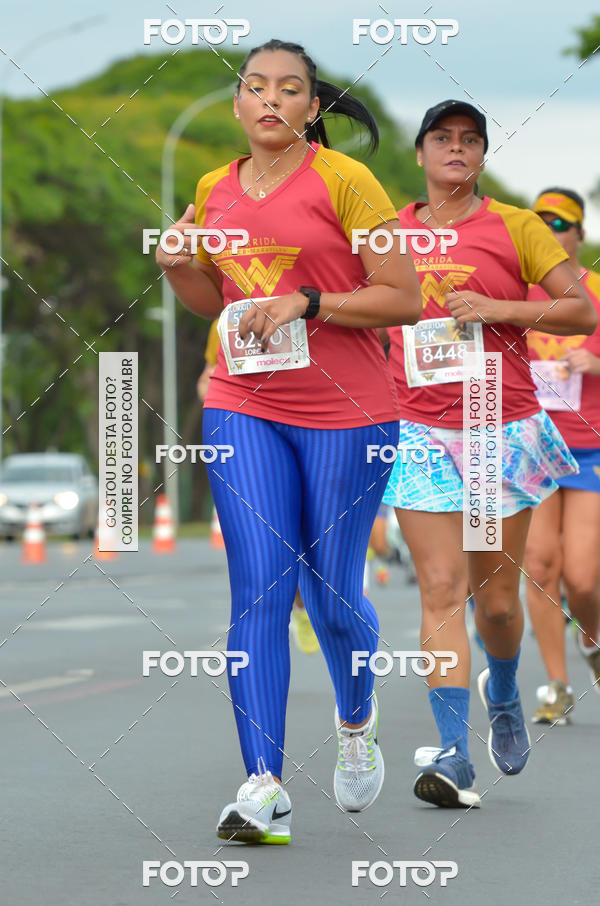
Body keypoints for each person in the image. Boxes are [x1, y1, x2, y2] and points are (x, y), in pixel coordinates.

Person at [156, 39, 422, 843]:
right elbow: (215, 299)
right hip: (244, 402)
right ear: (237, 104)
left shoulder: (347, 181)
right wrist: (176, 265)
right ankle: (263, 786)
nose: (271, 100)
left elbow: (404, 299)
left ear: (314, 107)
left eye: (291, 90)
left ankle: (355, 718)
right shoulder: (212, 188)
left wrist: (308, 301)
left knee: (331, 595)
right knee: (261, 589)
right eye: (256, 87)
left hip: (348, 410)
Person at [382, 100, 596, 808]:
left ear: (481, 156)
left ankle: (503, 691)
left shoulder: (516, 227)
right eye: (442, 138)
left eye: (470, 140)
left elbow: (580, 311)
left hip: (496, 424)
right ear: (421, 153)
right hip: (416, 427)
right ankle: (452, 752)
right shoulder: (390, 234)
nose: (456, 149)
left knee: (497, 602)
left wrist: (499, 310)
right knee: (440, 587)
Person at [524, 188, 600, 724]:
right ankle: (556, 685)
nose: (550, 229)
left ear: (579, 233)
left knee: (583, 578)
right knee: (539, 565)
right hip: (532, 446)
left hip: (590, 447)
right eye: (540, 220)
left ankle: (592, 641)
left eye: (561, 221)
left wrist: (594, 362)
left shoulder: (594, 291)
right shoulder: (517, 293)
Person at [199, 322, 320, 655]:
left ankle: (316, 605)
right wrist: (214, 393)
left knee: (316, 545)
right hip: (257, 434)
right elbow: (209, 373)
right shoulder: (225, 321)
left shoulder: (315, 307)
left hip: (321, 427)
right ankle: (296, 608)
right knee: (276, 550)